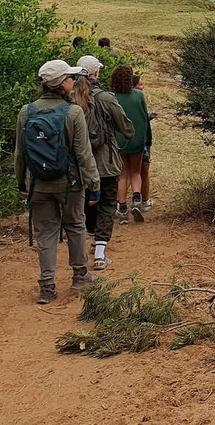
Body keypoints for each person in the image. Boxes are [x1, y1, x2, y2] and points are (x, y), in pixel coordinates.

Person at [15, 60, 100, 304]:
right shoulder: (73, 113)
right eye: (70, 78)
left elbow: (20, 153)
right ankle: (80, 275)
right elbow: (84, 154)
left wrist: (21, 183)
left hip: (37, 184)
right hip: (69, 184)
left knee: (45, 233)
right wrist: (94, 185)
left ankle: (47, 286)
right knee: (74, 225)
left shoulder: (26, 112)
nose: (73, 82)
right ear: (62, 83)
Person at [74, 55, 134, 270]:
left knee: (86, 203)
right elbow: (126, 128)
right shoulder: (106, 98)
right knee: (108, 204)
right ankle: (100, 252)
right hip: (105, 162)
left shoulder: (70, 97)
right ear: (96, 73)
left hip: (79, 164)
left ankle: (90, 237)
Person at [111, 65, 151, 224]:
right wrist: (146, 139)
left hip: (119, 142)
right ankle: (136, 201)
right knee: (136, 172)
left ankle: (122, 208)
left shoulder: (112, 97)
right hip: (137, 140)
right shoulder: (139, 96)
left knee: (122, 175)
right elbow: (144, 119)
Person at [135, 74, 156, 210]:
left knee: (125, 174)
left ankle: (121, 204)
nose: (143, 87)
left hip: (125, 143)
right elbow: (140, 119)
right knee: (143, 171)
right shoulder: (137, 98)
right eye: (140, 85)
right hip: (141, 142)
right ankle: (144, 201)